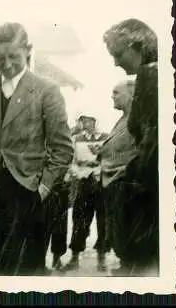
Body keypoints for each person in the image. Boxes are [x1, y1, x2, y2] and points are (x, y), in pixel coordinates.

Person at [0, 22, 74, 276]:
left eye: (13, 56)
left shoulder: (47, 90)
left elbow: (62, 148)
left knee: (24, 270)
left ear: (28, 50)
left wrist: (44, 187)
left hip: (28, 192)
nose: (6, 65)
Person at [103, 18, 159, 276]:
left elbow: (150, 140)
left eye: (118, 54)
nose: (115, 62)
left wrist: (135, 179)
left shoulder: (152, 76)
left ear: (136, 45)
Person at [93, 80, 137, 275]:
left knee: (125, 230)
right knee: (116, 228)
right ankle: (125, 264)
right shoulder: (122, 119)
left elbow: (136, 152)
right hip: (112, 182)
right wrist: (102, 150)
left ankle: (129, 267)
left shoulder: (136, 120)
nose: (113, 96)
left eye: (116, 92)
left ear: (131, 95)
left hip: (124, 182)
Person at [62, 115, 110, 272]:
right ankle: (74, 257)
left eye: (89, 120)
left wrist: (99, 167)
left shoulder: (106, 137)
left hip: (101, 182)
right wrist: (78, 171)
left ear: (96, 121)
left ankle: (102, 258)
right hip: (84, 183)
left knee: (103, 220)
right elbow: (72, 161)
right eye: (83, 120)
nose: (86, 123)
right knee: (79, 219)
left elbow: (111, 158)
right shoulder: (77, 139)